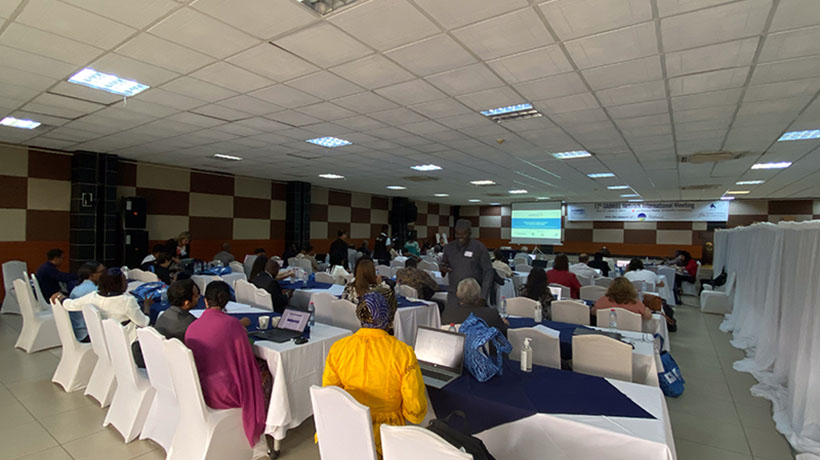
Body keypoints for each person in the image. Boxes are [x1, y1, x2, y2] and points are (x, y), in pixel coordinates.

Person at [322, 292, 426, 454]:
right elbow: (415, 409)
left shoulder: (338, 348)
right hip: (387, 435)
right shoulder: (403, 353)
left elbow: (330, 393)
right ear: (388, 318)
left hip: (348, 430)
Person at [184, 281, 269, 452]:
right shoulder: (232, 325)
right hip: (224, 393)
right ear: (226, 303)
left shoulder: (192, 327)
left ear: (205, 302)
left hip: (198, 388)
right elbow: (245, 363)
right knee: (266, 373)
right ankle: (267, 430)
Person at [53, 267, 149, 343]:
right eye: (124, 281)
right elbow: (143, 322)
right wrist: (147, 306)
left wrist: (60, 297)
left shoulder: (92, 297)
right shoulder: (127, 301)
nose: (127, 284)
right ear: (117, 284)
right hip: (125, 340)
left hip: (102, 339)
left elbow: (69, 305)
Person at [132, 279, 200, 369]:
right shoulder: (190, 325)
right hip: (175, 368)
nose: (199, 298)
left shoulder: (163, 315)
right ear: (186, 303)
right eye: (196, 296)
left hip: (157, 364)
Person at [440, 219, 494, 308]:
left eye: (463, 235)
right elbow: (444, 264)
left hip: (474, 296)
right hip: (454, 294)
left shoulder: (479, 247)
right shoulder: (449, 247)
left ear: (469, 233)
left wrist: (483, 296)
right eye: (457, 234)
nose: (460, 238)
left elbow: (488, 272)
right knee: (452, 320)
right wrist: (442, 268)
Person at [442, 278, 508, 335]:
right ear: (479, 294)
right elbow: (503, 334)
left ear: (457, 294)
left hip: (457, 348)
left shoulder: (448, 313)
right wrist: (505, 324)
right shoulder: (490, 314)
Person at [67, 262, 105, 342]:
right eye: (102, 272)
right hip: (86, 333)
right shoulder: (92, 291)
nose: (105, 274)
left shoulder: (80, 287)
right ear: (91, 275)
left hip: (78, 330)